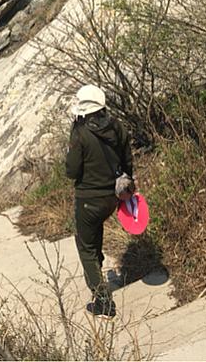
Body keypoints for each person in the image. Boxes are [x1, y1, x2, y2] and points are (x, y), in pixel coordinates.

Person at [65, 84, 133, 319]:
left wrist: (73, 136)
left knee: (86, 247)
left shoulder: (81, 133)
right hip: (112, 197)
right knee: (95, 240)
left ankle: (103, 301)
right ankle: (99, 279)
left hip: (88, 199)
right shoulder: (117, 126)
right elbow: (127, 161)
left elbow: (72, 171)